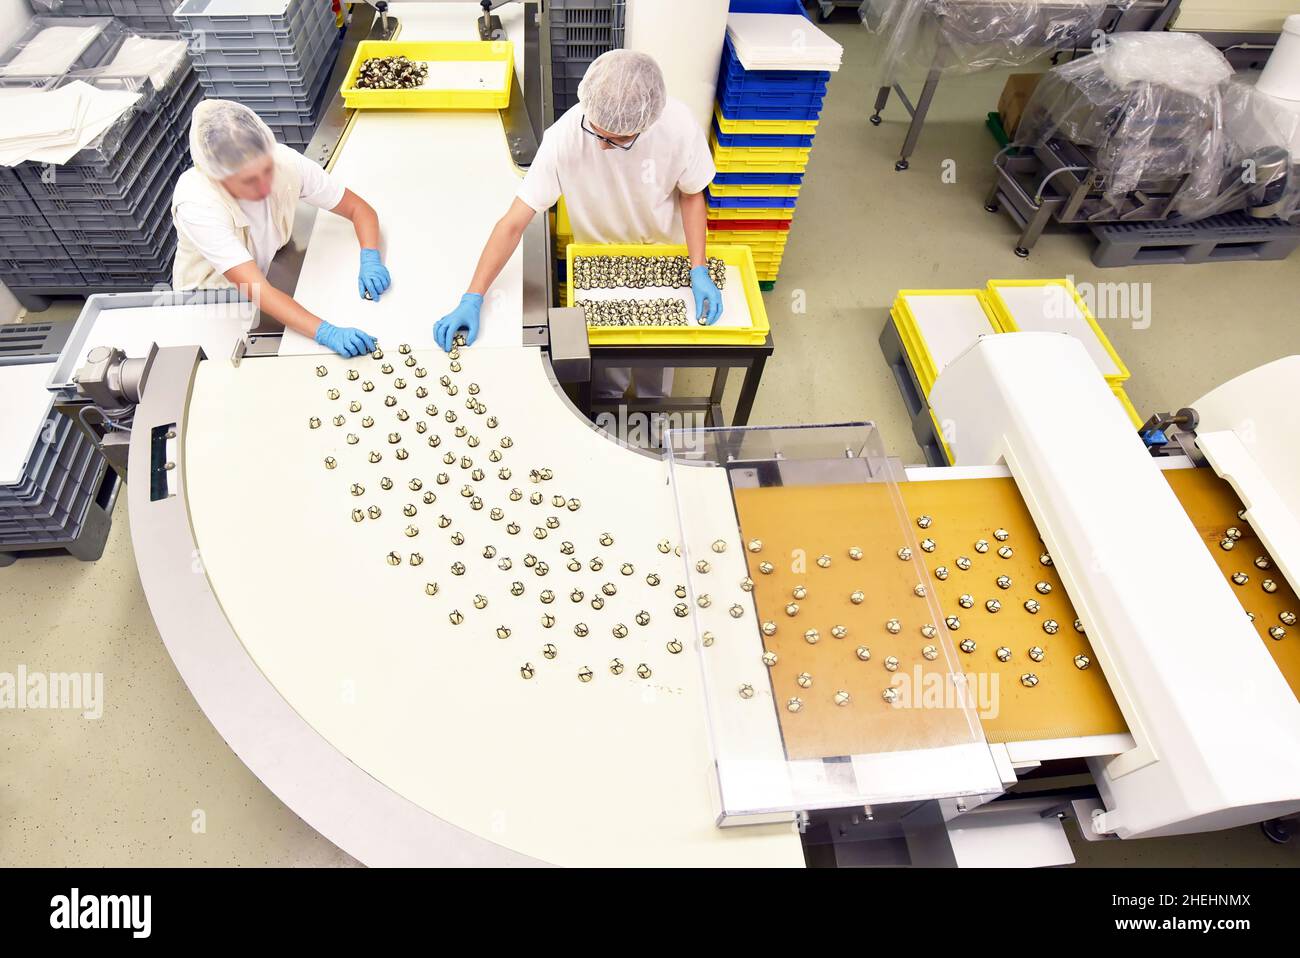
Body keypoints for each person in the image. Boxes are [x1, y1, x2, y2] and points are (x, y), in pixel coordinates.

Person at [433, 50, 720, 397]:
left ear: (645, 125)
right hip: (596, 264)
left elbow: (692, 194)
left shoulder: (678, 128)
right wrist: (472, 296)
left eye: (615, 140)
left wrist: (698, 267)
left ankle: (653, 414)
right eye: (596, 132)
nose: (600, 145)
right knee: (605, 370)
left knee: (656, 363)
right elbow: (513, 223)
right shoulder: (565, 137)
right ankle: (606, 412)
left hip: (660, 256)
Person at [171, 99, 389, 358]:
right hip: (212, 306)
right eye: (249, 180)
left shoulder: (285, 161)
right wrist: (327, 332)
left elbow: (359, 210)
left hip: (263, 280)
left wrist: (370, 256)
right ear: (219, 176)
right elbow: (258, 292)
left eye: (266, 169)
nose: (264, 185)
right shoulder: (198, 203)